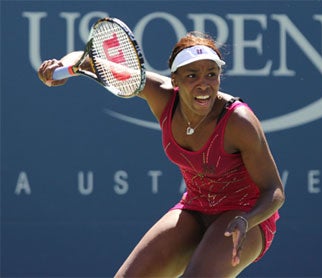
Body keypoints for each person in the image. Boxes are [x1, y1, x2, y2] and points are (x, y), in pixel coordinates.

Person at [38, 31, 285, 277]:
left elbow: (274, 191)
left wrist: (247, 220)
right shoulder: (160, 95)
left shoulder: (239, 121)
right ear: (174, 81)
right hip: (195, 207)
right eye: (192, 75)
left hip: (245, 215)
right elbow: (87, 60)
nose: (204, 83)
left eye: (212, 74)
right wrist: (62, 67)